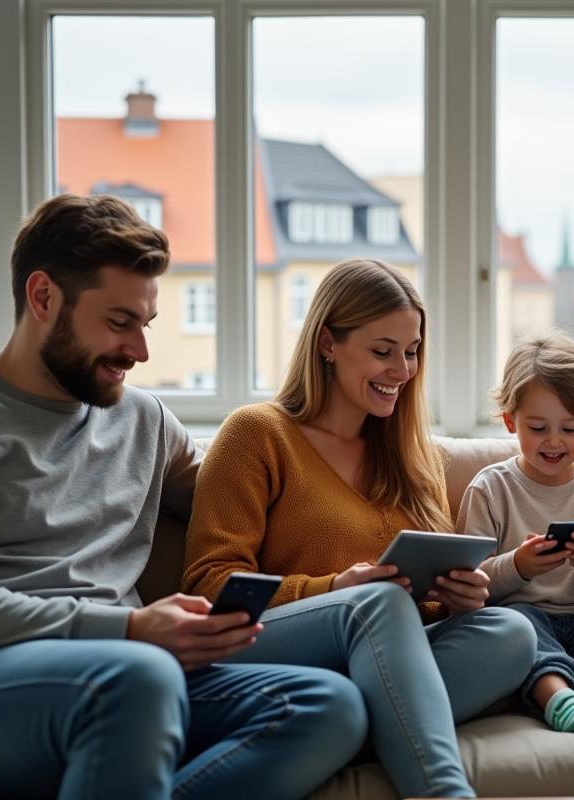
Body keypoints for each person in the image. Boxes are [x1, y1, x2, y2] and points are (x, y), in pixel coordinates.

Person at [0, 194, 366, 800]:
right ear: (43, 297)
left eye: (144, 325)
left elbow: (254, 503)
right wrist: (126, 629)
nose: (141, 351)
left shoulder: (146, 422)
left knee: (328, 705)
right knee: (141, 676)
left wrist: (387, 551)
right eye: (119, 322)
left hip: (128, 674)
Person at [182, 258, 537, 799]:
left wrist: (456, 598)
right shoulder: (258, 434)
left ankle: (338, 726)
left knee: (511, 633)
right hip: (261, 645)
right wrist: (334, 590)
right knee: (376, 602)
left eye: (412, 351)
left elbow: (416, 611)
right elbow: (210, 586)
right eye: (382, 350)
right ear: (328, 343)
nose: (403, 369)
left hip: (370, 660)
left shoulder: (412, 458)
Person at [456, 333, 574, 733]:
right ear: (509, 421)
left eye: (569, 428)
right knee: (517, 623)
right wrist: (517, 566)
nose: (554, 441)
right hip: (524, 618)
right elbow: (473, 586)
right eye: (538, 428)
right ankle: (559, 698)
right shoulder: (490, 488)